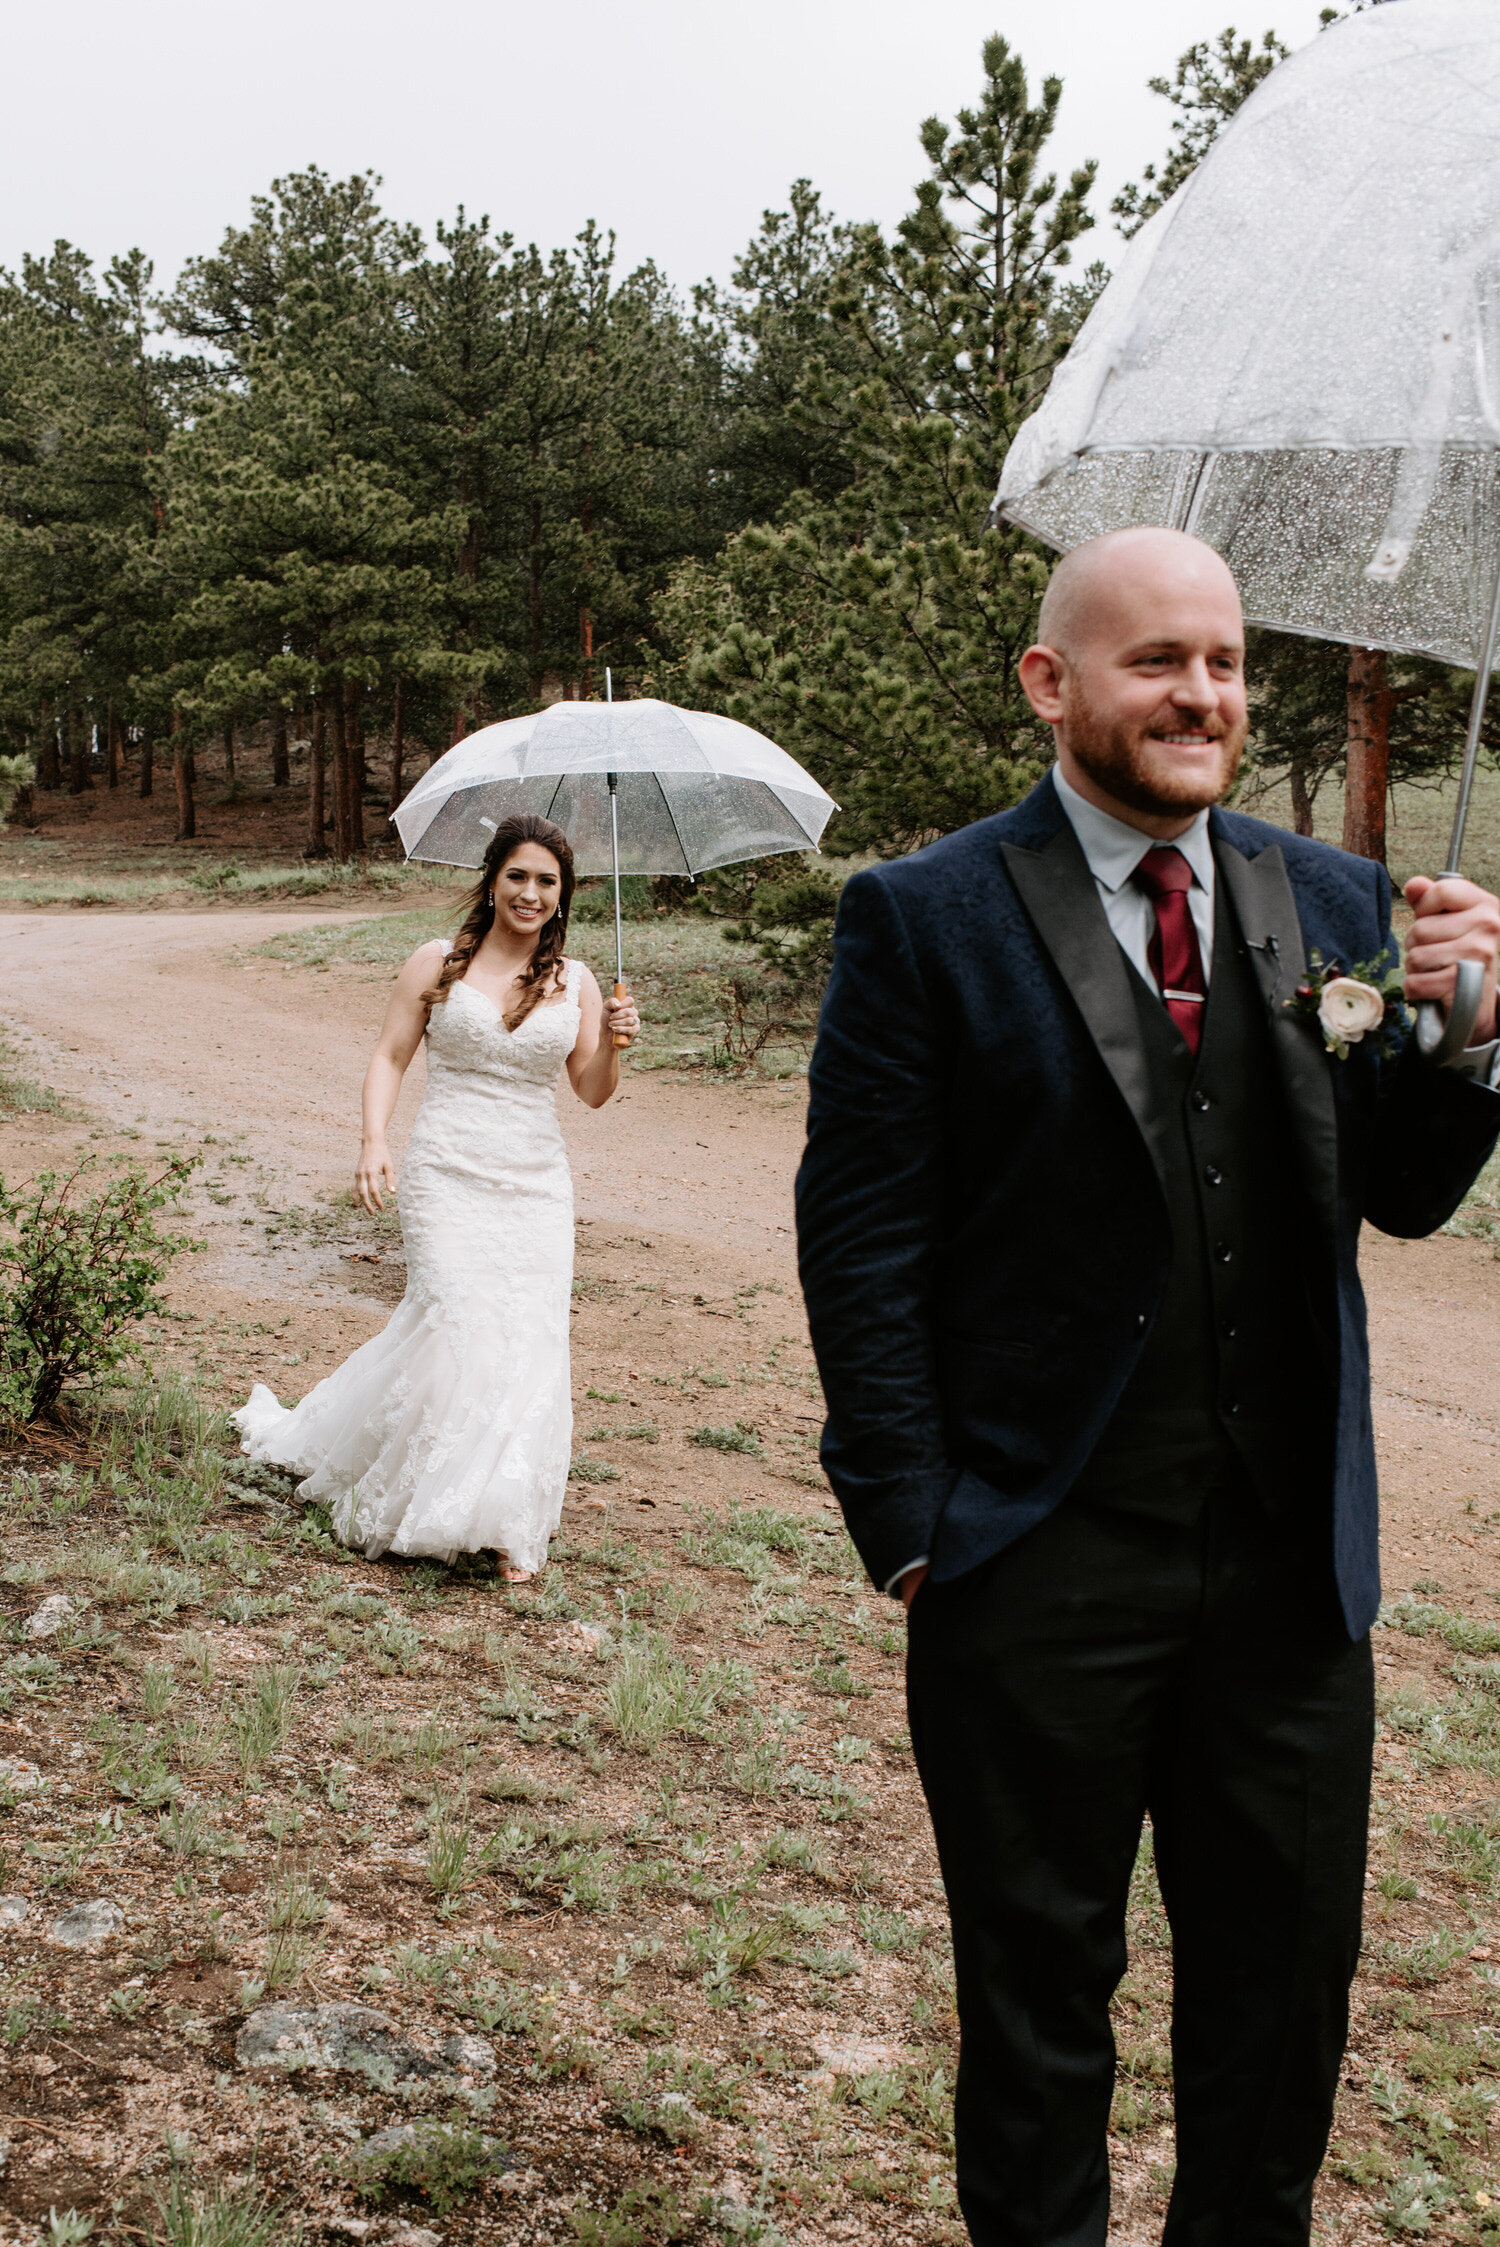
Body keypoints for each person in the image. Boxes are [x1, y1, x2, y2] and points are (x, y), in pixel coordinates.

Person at [795, 527, 1500, 2246]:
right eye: (1159, 661)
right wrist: (911, 1526)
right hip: (1036, 1560)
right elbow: (862, 1247)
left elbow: (1399, 1193)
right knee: (1039, 2018)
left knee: (1281, 2018)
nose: (1205, 695)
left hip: (1290, 1581)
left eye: (1228, 662)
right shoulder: (925, 916)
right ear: (1053, 682)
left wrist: (1470, 1029)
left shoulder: (1336, 902)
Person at [235, 813, 638, 1582]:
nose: (530, 892)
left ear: (564, 895)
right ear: (492, 880)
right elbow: (390, 1055)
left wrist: (614, 1046)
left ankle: (502, 1520)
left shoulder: (578, 982)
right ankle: (429, 1493)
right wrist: (374, 1139)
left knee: (527, 1341)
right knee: (457, 1323)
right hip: (447, 1170)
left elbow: (590, 1092)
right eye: (517, 875)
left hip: (535, 1185)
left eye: (547, 881)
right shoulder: (437, 961)